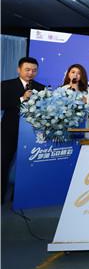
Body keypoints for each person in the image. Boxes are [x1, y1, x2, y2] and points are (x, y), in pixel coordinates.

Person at [1, 57, 45, 204]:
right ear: (19, 70)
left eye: (34, 70)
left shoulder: (41, 88)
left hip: (31, 135)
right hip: (9, 132)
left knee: (28, 165)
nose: (30, 73)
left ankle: (20, 197)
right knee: (3, 163)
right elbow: (2, 104)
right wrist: (22, 99)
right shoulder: (6, 85)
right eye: (27, 69)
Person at [61, 63, 89, 139]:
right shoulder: (62, 89)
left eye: (78, 73)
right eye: (73, 72)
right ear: (68, 74)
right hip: (66, 125)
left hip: (83, 125)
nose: (75, 75)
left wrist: (84, 103)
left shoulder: (87, 90)